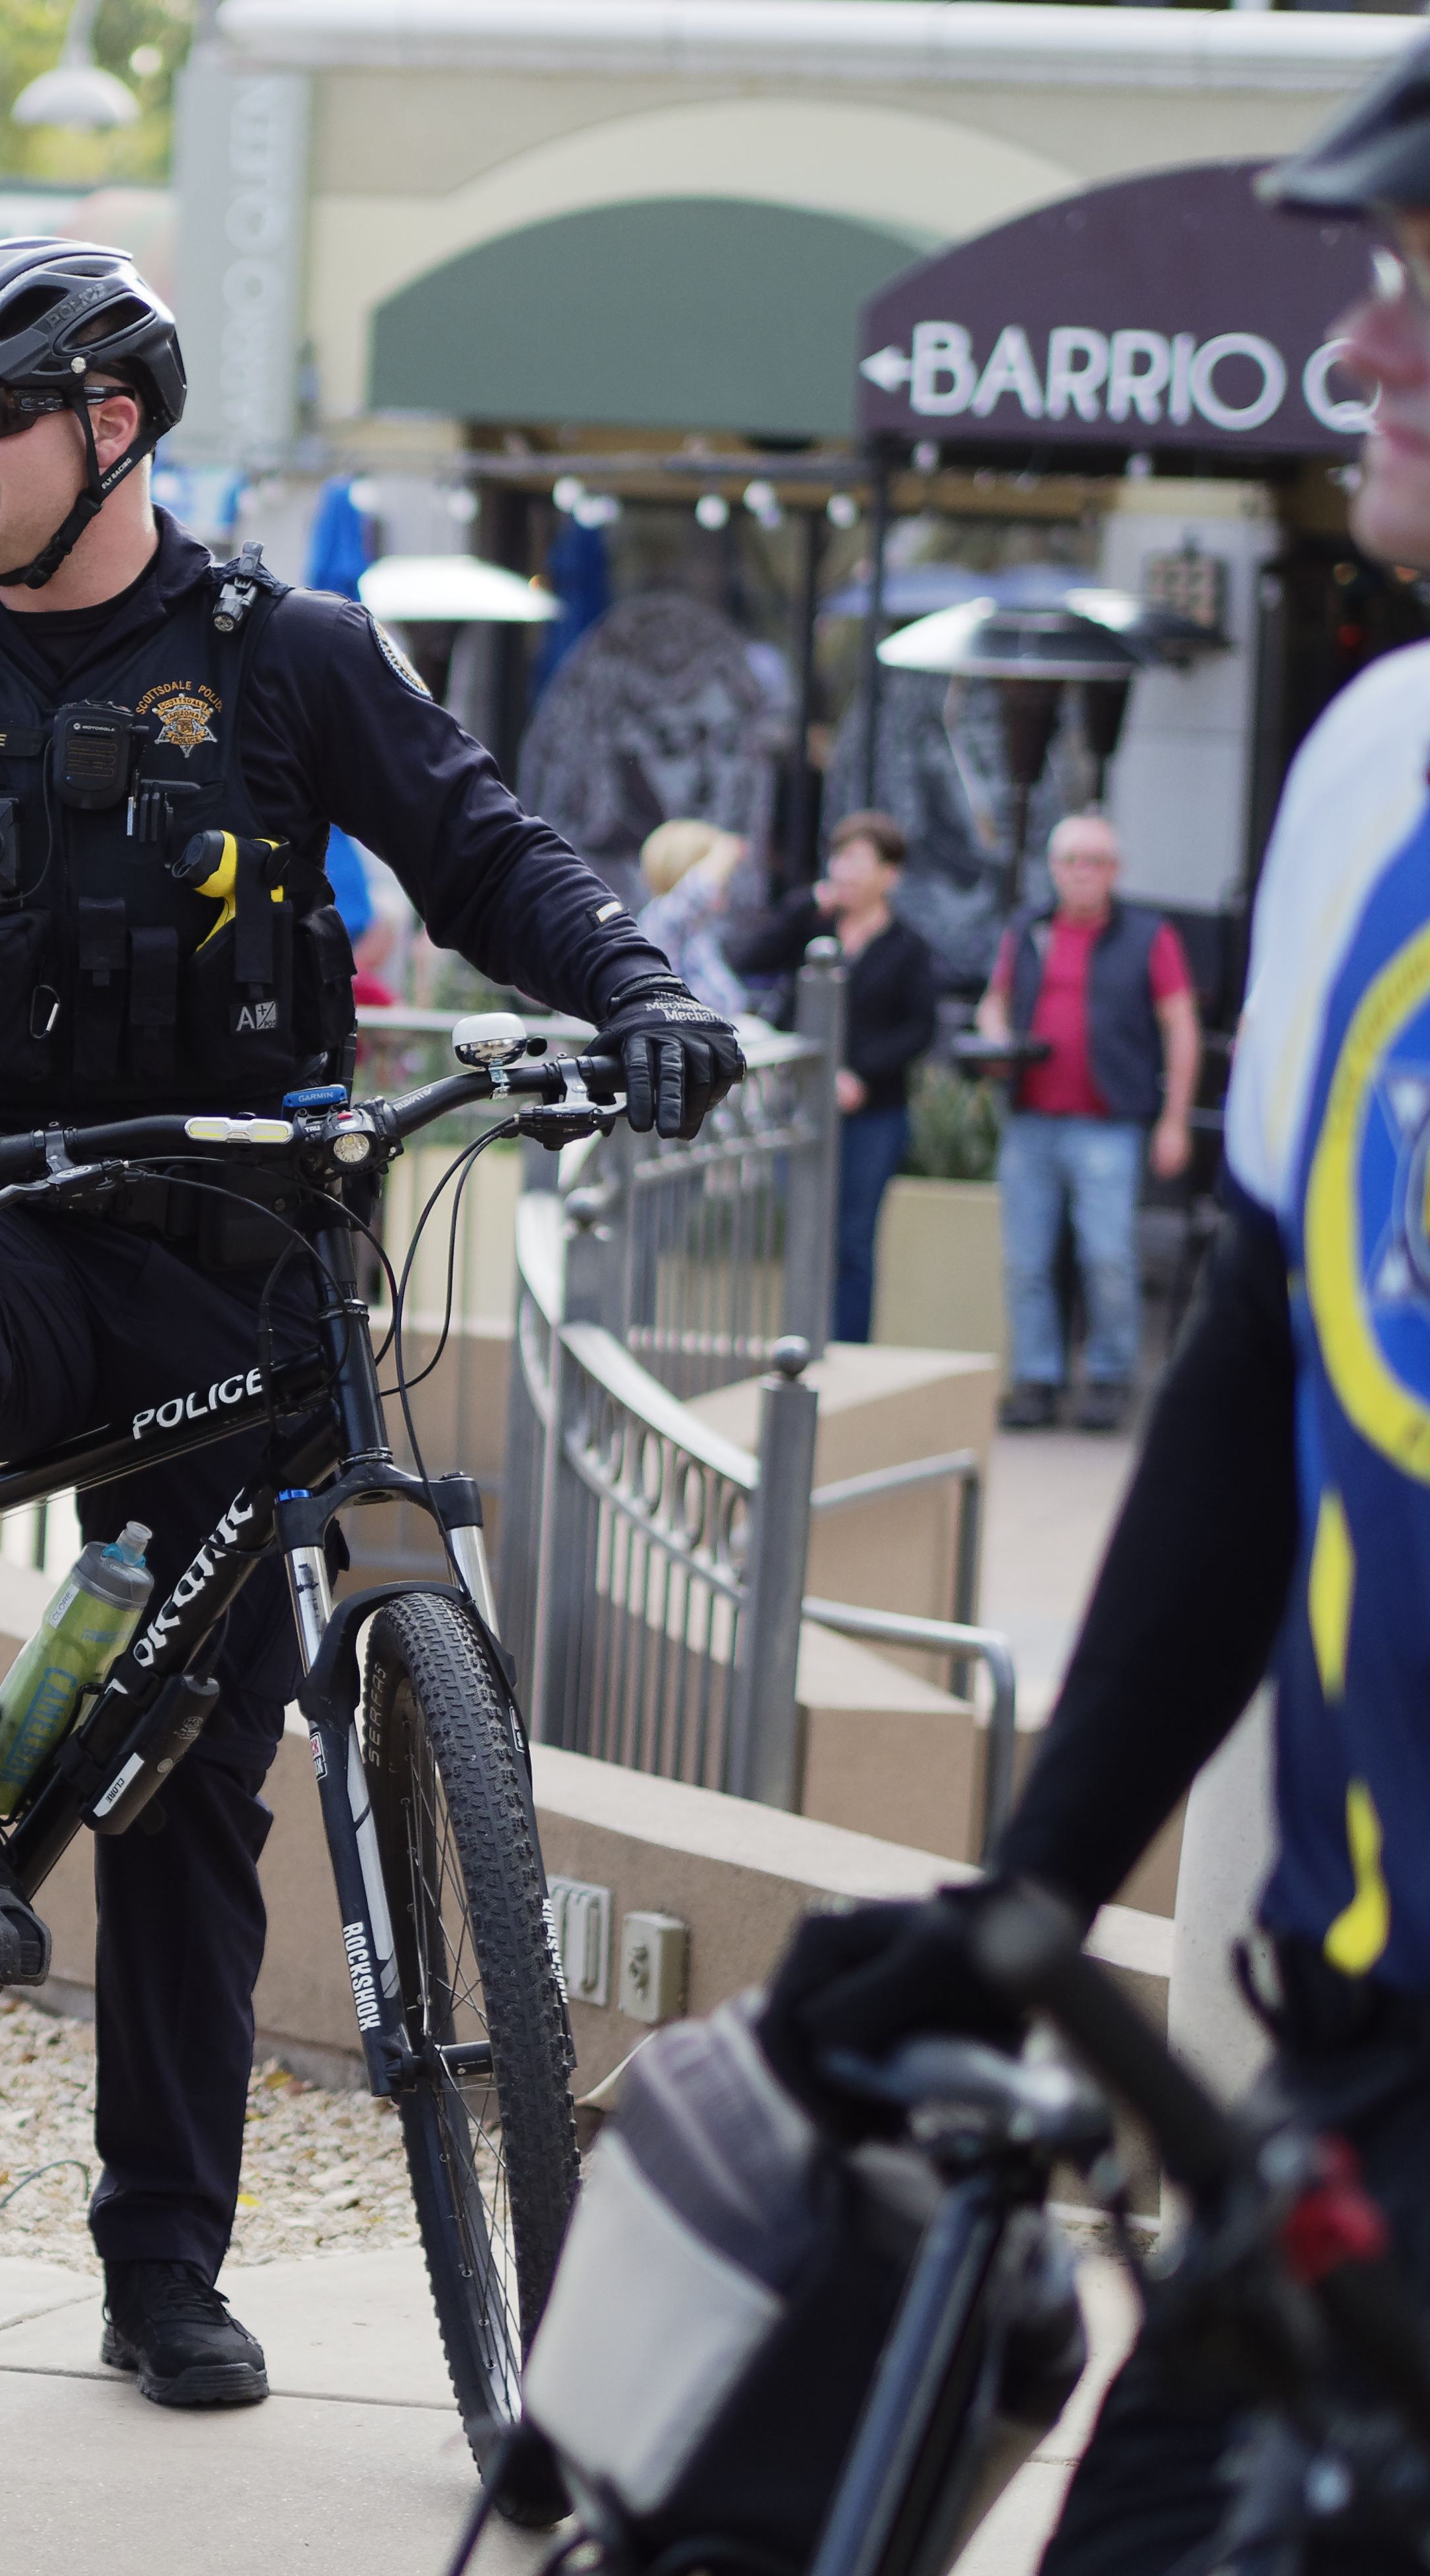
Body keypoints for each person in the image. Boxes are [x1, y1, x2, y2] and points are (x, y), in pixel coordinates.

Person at [0, 237, 743, 2414]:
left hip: (232, 1268)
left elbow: (478, 846)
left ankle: (163, 2264)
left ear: (113, 425)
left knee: (196, 1775)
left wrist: (635, 980)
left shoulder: (287, 653)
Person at [763, 50, 1430, 2576]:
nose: (1361, 349)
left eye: (1424, 294)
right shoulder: (1375, 766)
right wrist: (1027, 1898)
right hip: (1356, 2093)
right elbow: (1260, 1370)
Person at [974, 813, 1200, 1432]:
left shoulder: (1148, 935)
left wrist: (1174, 1120)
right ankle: (1038, 1379)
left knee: (1108, 1257)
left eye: (1095, 861)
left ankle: (1109, 1377)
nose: (1082, 872)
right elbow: (994, 999)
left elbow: (1181, 1027)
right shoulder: (1029, 928)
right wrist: (994, 1038)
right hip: (1031, 1120)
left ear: (1115, 871)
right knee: (1026, 1262)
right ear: (1053, 868)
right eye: (1071, 859)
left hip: (1109, 1123)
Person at [725, 812, 937, 1343]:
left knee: (852, 1238)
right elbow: (748, 959)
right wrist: (801, 908)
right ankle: (798, 1340)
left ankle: (846, 1347)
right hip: (799, 1103)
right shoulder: (813, 925)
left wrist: (861, 1075)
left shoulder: (908, 947)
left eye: (858, 861)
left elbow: (919, 1029)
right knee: (800, 1229)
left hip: (871, 1113)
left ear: (889, 874)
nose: (843, 870)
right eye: (838, 857)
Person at [635, 818, 749, 1020]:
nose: (726, 885)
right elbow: (698, 890)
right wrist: (724, 852)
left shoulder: (699, 931)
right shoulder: (662, 917)